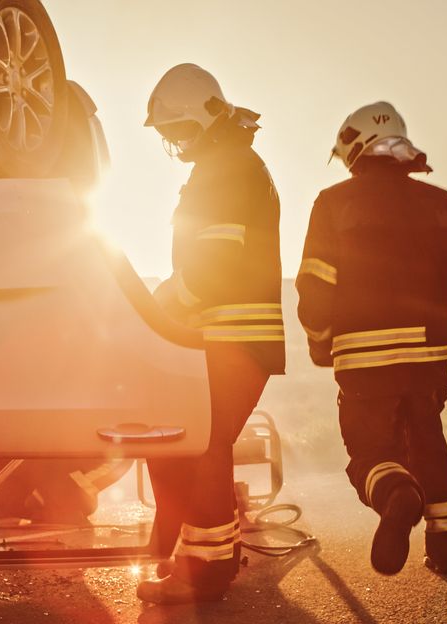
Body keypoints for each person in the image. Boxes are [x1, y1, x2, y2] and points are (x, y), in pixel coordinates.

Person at [297, 102, 447, 575]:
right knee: (427, 445)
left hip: (362, 360)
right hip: (428, 360)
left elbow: (314, 286)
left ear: (354, 149)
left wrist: (320, 342)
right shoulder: (443, 205)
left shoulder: (333, 204)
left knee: (371, 454)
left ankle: (396, 495)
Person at [139, 63, 285, 604]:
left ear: (206, 117)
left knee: (198, 442)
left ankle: (203, 574)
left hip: (234, 333)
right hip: (232, 334)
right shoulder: (230, 162)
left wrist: (163, 302)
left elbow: (214, 264)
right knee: (195, 441)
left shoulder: (227, 168)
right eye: (167, 134)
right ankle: (203, 558)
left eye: (179, 129)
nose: (175, 142)